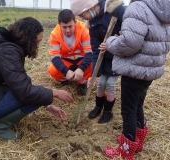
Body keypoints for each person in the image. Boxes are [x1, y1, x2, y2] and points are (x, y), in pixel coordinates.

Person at [0, 17, 73, 140]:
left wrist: (48, 104)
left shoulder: (7, 45)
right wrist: (55, 93)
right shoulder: (8, 52)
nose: (38, 45)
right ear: (29, 39)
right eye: (37, 41)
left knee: (29, 84)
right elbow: (25, 93)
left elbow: (19, 83)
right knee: (32, 96)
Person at [101, 0, 170, 159]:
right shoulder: (163, 9)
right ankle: (137, 141)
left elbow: (130, 43)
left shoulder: (138, 7)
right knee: (137, 104)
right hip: (150, 68)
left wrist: (112, 42)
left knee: (128, 110)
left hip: (135, 69)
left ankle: (125, 150)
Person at [71, 0, 125, 123]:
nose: (82, 18)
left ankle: (107, 112)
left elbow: (129, 35)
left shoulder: (117, 9)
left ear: (88, 8)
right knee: (100, 84)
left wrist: (113, 44)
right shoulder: (92, 25)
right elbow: (95, 51)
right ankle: (98, 107)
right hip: (104, 59)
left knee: (110, 85)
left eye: (82, 14)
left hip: (117, 58)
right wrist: (94, 75)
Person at [47, 9, 93, 96]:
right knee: (53, 70)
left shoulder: (83, 29)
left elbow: (89, 53)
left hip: (81, 60)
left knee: (91, 65)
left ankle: (82, 83)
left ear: (75, 22)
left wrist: (81, 68)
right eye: (64, 27)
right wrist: (66, 71)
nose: (67, 30)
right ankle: (66, 79)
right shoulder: (54, 34)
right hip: (66, 61)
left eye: (70, 26)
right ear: (59, 24)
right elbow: (54, 56)